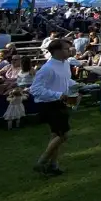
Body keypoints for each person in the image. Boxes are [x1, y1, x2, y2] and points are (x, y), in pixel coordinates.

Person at [30, 38, 77, 176]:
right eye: (66, 49)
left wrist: (76, 86)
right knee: (64, 135)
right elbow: (35, 89)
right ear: (57, 51)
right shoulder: (47, 68)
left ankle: (53, 165)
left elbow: (65, 80)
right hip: (50, 104)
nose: (70, 51)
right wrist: (57, 95)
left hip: (62, 102)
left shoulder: (65, 63)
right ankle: (41, 162)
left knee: (56, 135)